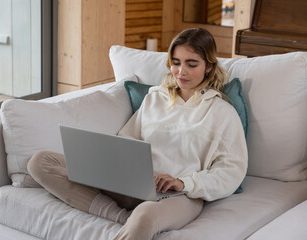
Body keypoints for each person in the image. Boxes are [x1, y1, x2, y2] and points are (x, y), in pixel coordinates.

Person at [27, 28, 248, 240]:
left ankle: (135, 218)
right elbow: (127, 139)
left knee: (145, 218)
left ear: (208, 67)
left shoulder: (222, 112)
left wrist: (184, 182)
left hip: (179, 196)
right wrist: (110, 165)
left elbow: (231, 171)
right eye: (176, 63)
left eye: (192, 64)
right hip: (133, 183)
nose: (181, 72)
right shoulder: (154, 99)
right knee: (40, 162)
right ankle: (122, 217)